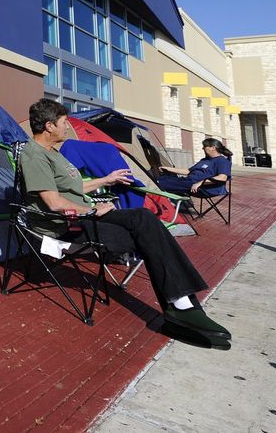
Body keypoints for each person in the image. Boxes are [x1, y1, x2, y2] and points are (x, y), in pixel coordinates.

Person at [20, 99, 231, 347]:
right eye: (64, 122)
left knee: (144, 218)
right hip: (65, 224)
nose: (67, 127)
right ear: (49, 126)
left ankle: (181, 303)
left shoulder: (53, 153)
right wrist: (92, 209)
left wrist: (106, 180)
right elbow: (54, 202)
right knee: (144, 236)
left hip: (83, 215)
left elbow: (73, 188)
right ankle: (180, 305)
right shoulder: (34, 156)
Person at [157, 139, 232, 195]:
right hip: (188, 181)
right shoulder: (205, 160)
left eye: (205, 146)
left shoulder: (222, 161)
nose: (203, 148)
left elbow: (222, 178)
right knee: (162, 178)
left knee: (159, 183)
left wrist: (201, 182)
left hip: (204, 188)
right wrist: (168, 168)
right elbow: (188, 171)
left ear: (213, 148)